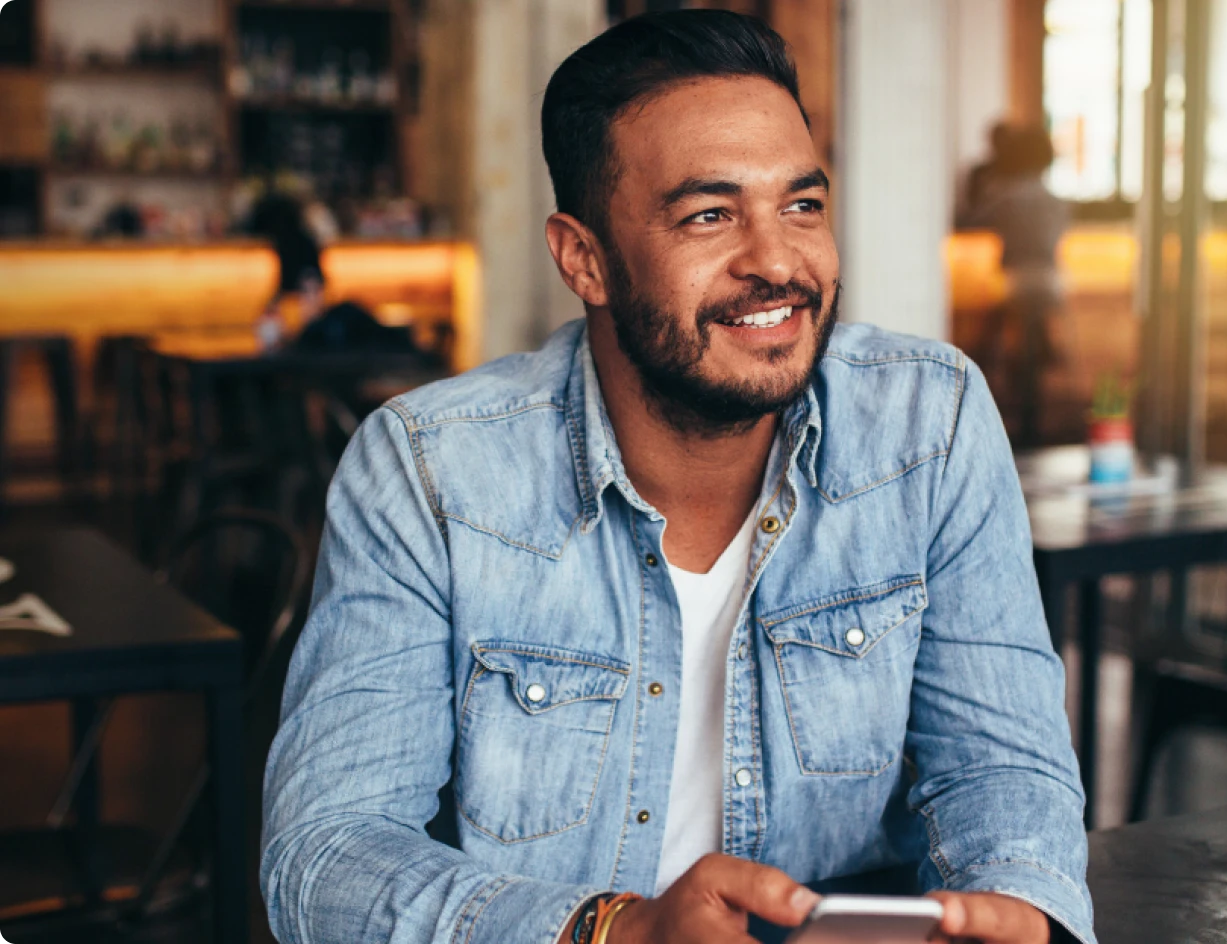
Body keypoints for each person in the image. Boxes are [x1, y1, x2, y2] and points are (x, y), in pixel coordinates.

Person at [262, 11, 1093, 944]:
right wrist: (617, 933)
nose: (777, 262)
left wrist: (1026, 910)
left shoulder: (926, 422)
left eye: (802, 206)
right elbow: (326, 857)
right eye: (709, 215)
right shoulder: (429, 472)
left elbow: (1000, 767)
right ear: (585, 259)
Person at [956, 123, 1069, 446]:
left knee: (994, 327)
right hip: (1051, 281)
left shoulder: (1006, 196)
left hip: (1016, 280)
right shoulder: (1055, 200)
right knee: (1026, 329)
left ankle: (990, 391)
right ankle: (1039, 361)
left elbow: (968, 221)